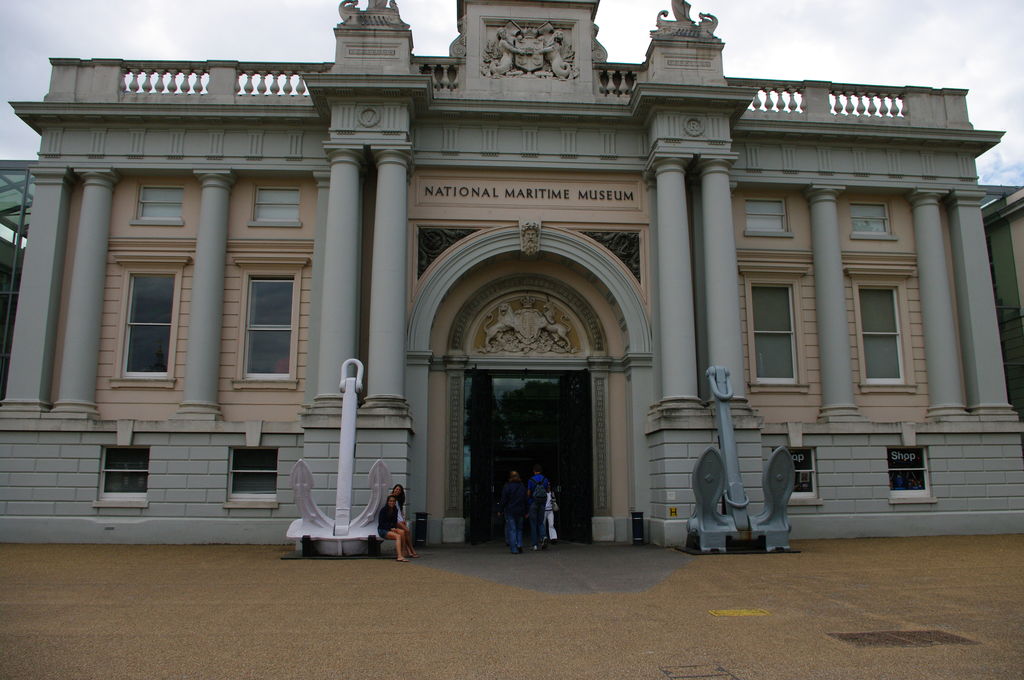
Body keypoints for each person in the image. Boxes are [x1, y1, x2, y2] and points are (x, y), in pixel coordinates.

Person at [377, 494, 418, 561]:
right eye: (390, 501)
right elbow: (381, 523)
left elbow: (394, 521)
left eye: (393, 501)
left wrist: (393, 528)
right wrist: (391, 528)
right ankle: (399, 556)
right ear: (387, 502)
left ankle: (403, 551)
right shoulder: (383, 510)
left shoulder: (395, 510)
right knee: (398, 536)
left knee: (402, 532)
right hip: (382, 530)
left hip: (390, 528)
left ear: (395, 502)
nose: (392, 502)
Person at [498, 470, 527, 554]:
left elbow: (504, 499)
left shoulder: (507, 486)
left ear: (510, 478)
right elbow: (525, 499)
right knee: (519, 529)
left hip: (510, 510)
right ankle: (519, 544)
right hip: (520, 510)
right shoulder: (522, 486)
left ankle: (514, 549)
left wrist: (500, 509)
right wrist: (526, 511)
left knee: (512, 529)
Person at [527, 464, 550, 550]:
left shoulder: (531, 480)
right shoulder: (545, 479)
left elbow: (529, 493)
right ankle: (543, 536)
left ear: (534, 471)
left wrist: (528, 500)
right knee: (540, 522)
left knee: (533, 523)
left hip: (533, 502)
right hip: (542, 503)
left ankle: (534, 545)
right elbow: (548, 490)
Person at [544, 481, 558, 545]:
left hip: (550, 510)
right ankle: (544, 538)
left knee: (551, 524)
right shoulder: (543, 492)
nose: (549, 486)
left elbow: (554, 500)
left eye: (549, 485)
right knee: (543, 525)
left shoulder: (552, 492)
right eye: (547, 485)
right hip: (544, 510)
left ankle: (553, 538)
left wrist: (553, 501)